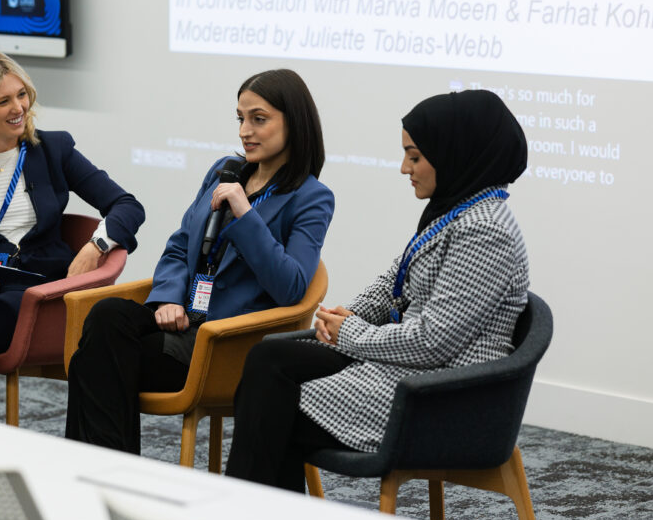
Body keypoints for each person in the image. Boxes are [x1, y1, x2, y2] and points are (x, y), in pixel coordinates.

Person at [225, 88, 529, 491]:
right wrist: (348, 315)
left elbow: (432, 342)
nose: (404, 168)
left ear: (455, 155)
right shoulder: (456, 211)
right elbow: (394, 283)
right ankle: (260, 516)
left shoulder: (485, 231)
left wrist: (350, 332)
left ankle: (242, 515)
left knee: (270, 407)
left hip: (442, 395)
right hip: (411, 372)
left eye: (415, 157)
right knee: (269, 360)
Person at [65, 68, 334, 454]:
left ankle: (98, 469)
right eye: (240, 119)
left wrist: (246, 214)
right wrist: (168, 297)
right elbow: (179, 246)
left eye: (259, 119)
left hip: (226, 341)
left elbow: (291, 286)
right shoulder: (225, 171)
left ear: (294, 122)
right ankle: (109, 468)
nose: (245, 131)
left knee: (91, 362)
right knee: (107, 315)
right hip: (181, 322)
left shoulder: (311, 197)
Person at [0, 51, 145, 416]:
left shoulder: (54, 149)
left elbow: (127, 206)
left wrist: (96, 245)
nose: (19, 108)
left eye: (22, 95)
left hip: (33, 291)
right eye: (3, 101)